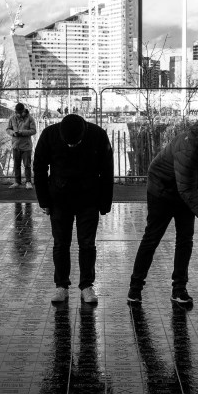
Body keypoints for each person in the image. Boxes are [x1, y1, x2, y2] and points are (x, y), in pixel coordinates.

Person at [127, 119, 198, 305]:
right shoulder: (187, 150)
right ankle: (135, 289)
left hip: (183, 189)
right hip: (162, 189)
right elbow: (188, 191)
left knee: (185, 239)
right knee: (152, 238)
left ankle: (179, 289)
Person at [33, 113, 114, 304]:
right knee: (61, 244)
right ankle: (61, 286)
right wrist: (44, 201)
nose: (71, 146)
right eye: (68, 143)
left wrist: (105, 203)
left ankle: (87, 285)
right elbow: (39, 168)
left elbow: (107, 170)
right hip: (59, 199)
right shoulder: (49, 135)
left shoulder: (98, 135)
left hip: (89, 198)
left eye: (75, 143)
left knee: (87, 244)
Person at [6, 102, 37, 189]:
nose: (19, 114)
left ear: (24, 110)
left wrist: (22, 132)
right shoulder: (12, 118)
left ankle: (28, 182)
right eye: (17, 112)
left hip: (26, 146)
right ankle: (17, 182)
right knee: (16, 165)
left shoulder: (30, 118)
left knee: (27, 165)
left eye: (20, 112)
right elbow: (8, 129)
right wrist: (13, 133)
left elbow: (34, 131)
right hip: (15, 145)